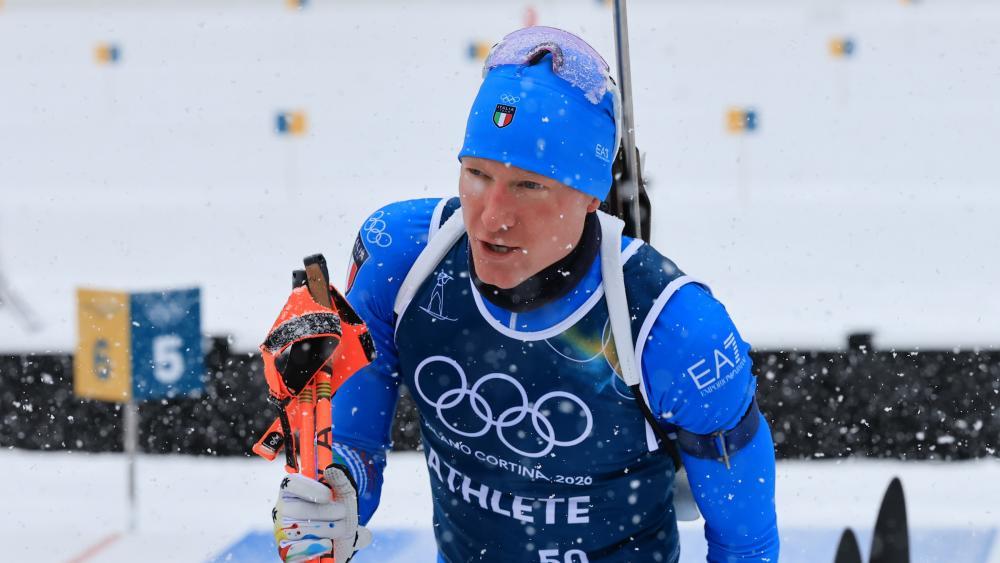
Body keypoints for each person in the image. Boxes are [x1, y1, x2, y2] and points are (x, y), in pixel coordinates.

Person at [271, 26, 779, 563]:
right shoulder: (401, 259)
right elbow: (352, 445)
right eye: (477, 174)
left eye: (528, 185)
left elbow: (746, 544)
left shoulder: (673, 329)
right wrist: (334, 490)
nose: (491, 218)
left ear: (590, 196)